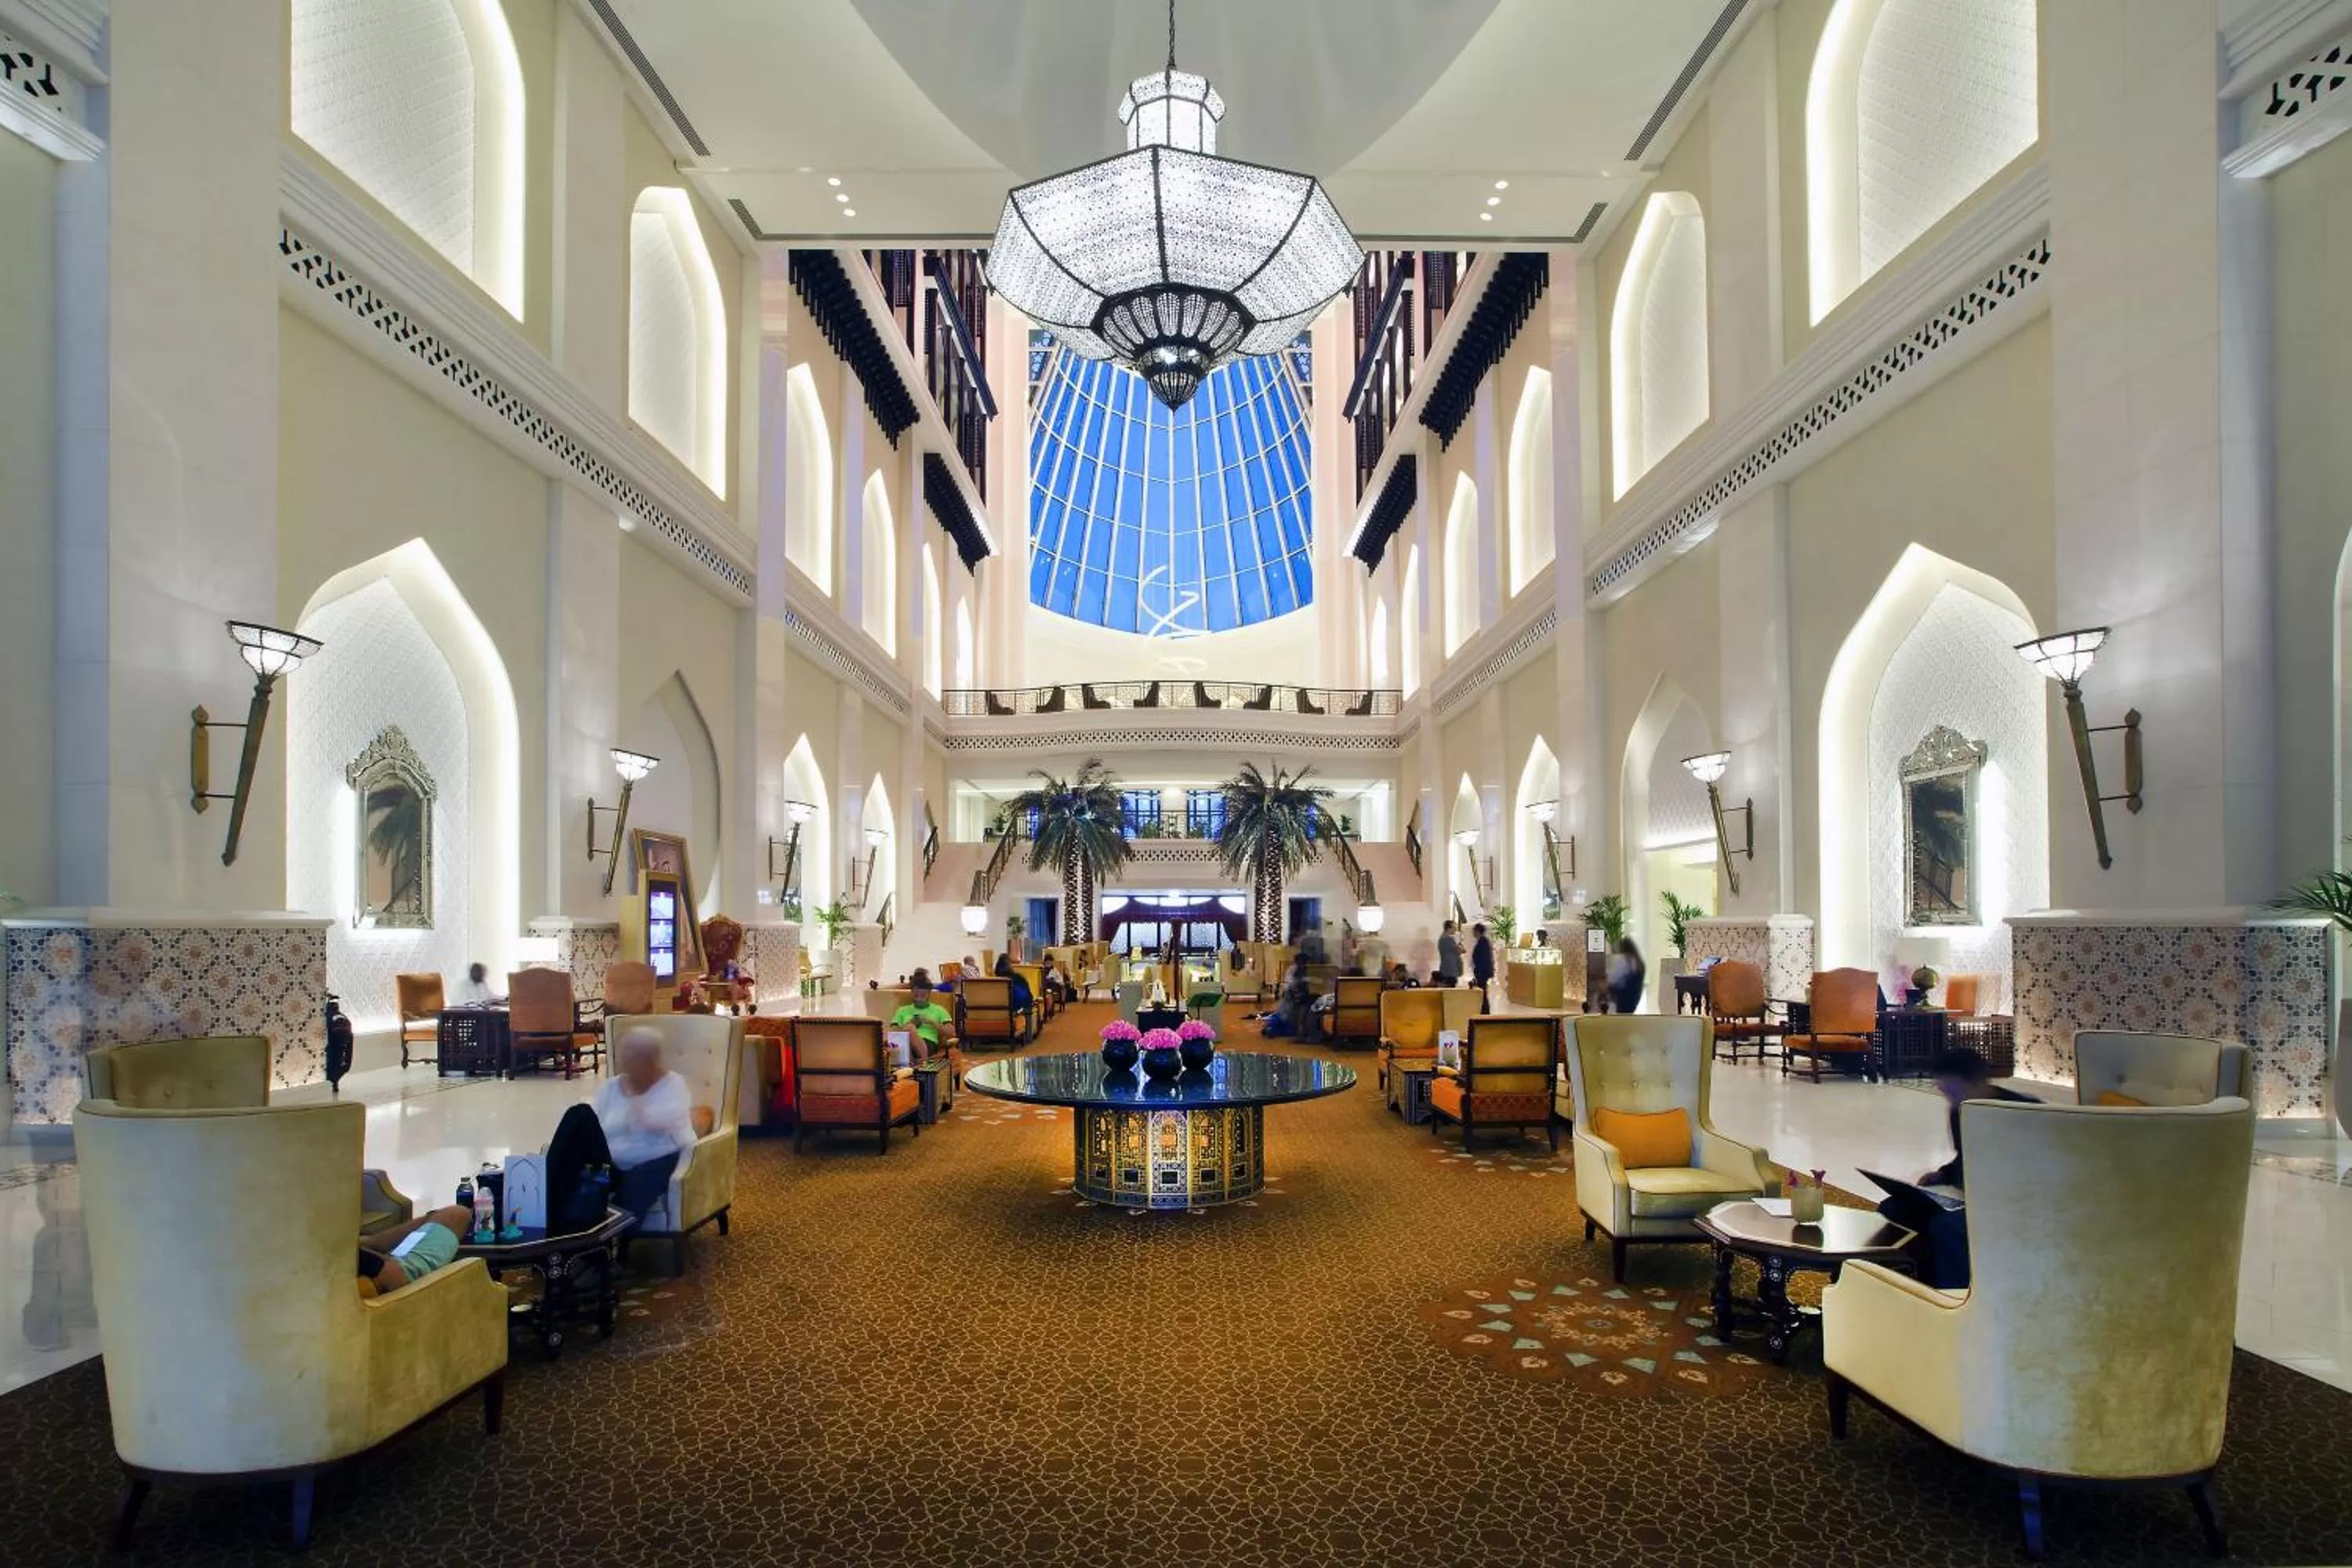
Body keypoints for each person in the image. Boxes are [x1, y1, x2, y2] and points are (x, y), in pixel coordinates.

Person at [557, 1027, 698, 1222]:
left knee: (632, 1195)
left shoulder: (673, 1085)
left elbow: (653, 1123)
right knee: (579, 1124)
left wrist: (635, 1096)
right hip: (612, 1161)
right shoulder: (611, 1086)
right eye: (626, 1057)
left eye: (634, 1058)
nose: (627, 1064)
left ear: (651, 1059)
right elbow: (598, 1127)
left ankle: (615, 1242)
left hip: (658, 1160)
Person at [1921, 1046, 2038, 1189]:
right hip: (1977, 1190)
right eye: (1944, 1091)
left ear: (1978, 1082)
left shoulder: (2027, 1112)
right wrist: (1945, 1174)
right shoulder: (1960, 1109)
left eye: (1953, 1090)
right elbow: (1967, 1157)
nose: (1949, 1098)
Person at [357, 1203, 473, 1296]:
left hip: (360, 1256)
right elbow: (390, 1274)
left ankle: (363, 1243)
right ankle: (363, 1243)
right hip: (389, 1275)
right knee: (457, 1215)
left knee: (438, 1215)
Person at [888, 969, 959, 1063]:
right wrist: (909, 1024)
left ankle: (923, 1061)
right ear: (912, 993)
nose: (919, 999)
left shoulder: (939, 1010)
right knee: (908, 1029)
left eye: (923, 995)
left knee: (909, 1030)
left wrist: (931, 1022)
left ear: (929, 994)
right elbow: (893, 1032)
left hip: (928, 1044)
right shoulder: (902, 1010)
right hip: (905, 1045)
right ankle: (917, 1064)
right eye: (916, 995)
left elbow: (952, 1033)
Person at [1606, 937, 1646, 1014]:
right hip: (1633, 998)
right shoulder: (1638, 962)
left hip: (1622, 998)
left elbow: (1612, 979)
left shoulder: (1623, 959)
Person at [1469, 923, 1495, 1011]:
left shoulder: (1483, 942)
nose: (1473, 933)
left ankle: (1485, 1010)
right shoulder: (1482, 941)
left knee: (1482, 990)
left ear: (1478, 931)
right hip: (1482, 971)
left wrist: (1479, 972)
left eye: (1474, 931)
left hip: (1482, 972)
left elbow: (1483, 959)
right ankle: (1484, 1009)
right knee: (1482, 990)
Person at [1435, 920, 1463, 987]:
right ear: (1448, 928)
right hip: (1451, 970)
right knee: (1451, 992)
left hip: (1445, 968)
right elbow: (1460, 950)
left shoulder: (1441, 939)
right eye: (1454, 927)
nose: (1455, 929)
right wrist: (1460, 946)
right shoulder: (1449, 939)